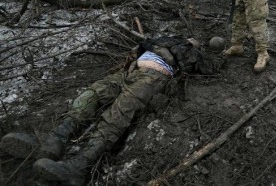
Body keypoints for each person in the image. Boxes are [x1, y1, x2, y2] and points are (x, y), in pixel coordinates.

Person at [1, 36, 226, 186]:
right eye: (189, 39)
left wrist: (223, 53)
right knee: (90, 95)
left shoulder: (194, 54)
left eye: (193, 42)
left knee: (118, 114)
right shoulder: (163, 39)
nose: (189, 41)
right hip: (127, 73)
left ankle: (80, 165)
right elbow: (139, 46)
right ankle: (51, 143)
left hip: (152, 79)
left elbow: (211, 68)